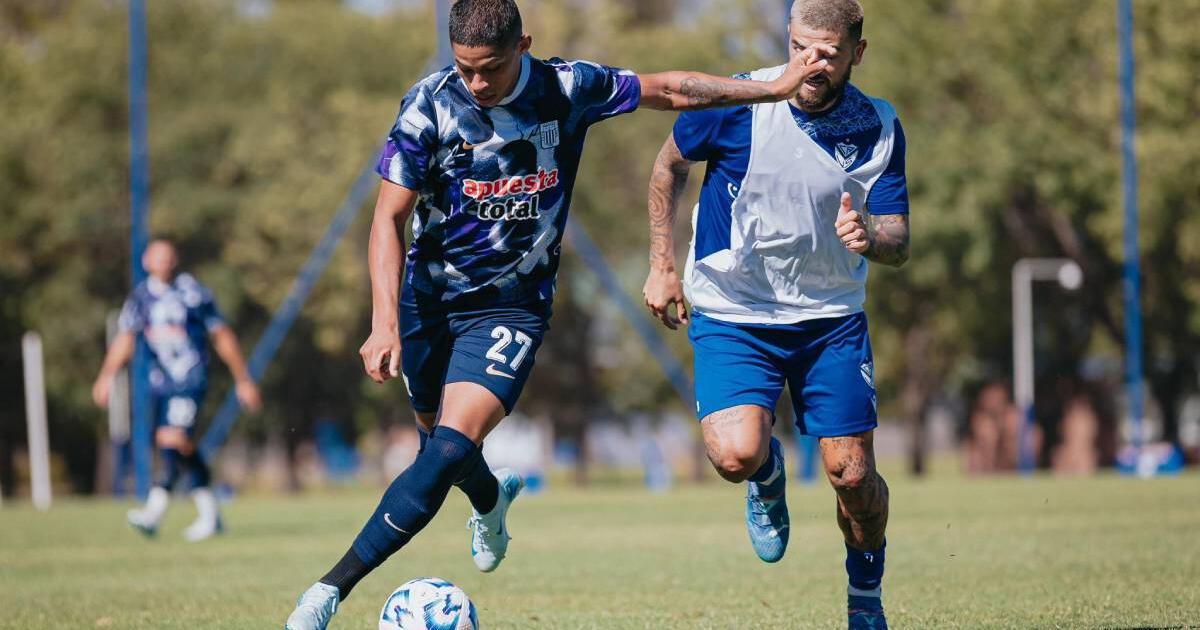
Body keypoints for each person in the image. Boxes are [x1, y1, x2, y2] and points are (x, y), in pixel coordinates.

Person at [283, 0, 834, 627]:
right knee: (439, 443)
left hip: (511, 308)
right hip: (428, 302)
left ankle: (327, 591)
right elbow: (387, 217)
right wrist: (384, 321)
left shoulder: (566, 88)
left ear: (524, 46)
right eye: (465, 70)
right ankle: (491, 502)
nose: (477, 84)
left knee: (441, 453)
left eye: (489, 68)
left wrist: (770, 88)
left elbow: (667, 89)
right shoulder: (428, 106)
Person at [641, 1, 908, 627]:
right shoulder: (740, 100)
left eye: (828, 54)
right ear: (788, 41)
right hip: (734, 310)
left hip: (830, 318)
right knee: (734, 456)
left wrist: (871, 233)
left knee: (851, 476)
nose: (812, 64)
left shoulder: (880, 125)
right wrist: (661, 263)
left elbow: (898, 237)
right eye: (802, 48)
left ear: (856, 55)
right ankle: (767, 477)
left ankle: (864, 598)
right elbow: (667, 167)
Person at [92, 239, 261, 541]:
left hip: (190, 379)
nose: (163, 263)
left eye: (168, 257)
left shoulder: (193, 293)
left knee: (172, 439)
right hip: (159, 383)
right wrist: (106, 376)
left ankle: (153, 512)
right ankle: (211, 514)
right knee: (178, 447)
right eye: (157, 258)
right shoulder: (141, 297)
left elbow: (222, 335)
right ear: (146, 261)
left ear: (176, 260)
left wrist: (243, 379)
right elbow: (126, 339)